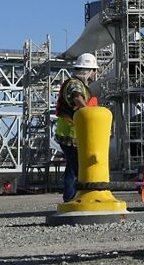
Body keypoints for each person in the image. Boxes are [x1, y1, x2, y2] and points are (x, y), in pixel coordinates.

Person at [54, 52, 99, 202]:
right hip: (69, 134)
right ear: (89, 70)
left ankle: (72, 197)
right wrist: (88, 113)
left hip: (72, 134)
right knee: (75, 168)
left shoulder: (81, 85)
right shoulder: (75, 84)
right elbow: (76, 96)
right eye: (95, 70)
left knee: (73, 167)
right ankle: (71, 199)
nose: (96, 74)